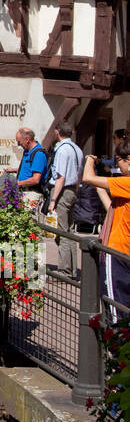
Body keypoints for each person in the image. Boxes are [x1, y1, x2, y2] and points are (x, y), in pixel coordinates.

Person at [82, 144, 130, 314]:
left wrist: (89, 160)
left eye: (118, 161)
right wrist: (101, 189)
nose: (117, 166)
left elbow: (87, 178)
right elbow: (113, 208)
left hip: (117, 251)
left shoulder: (127, 182)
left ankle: (116, 338)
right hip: (124, 252)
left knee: (114, 305)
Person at [46, 122, 84, 275]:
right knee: (69, 230)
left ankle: (65, 270)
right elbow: (79, 174)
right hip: (73, 190)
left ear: (57, 132)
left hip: (62, 190)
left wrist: (53, 200)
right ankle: (73, 268)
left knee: (62, 232)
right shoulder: (77, 149)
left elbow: (60, 177)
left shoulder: (62, 150)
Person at [14, 127, 48, 209]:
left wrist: (17, 184)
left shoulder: (38, 154)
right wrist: (14, 170)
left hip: (32, 194)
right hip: (24, 193)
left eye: (19, 142)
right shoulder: (27, 151)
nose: (18, 145)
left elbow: (36, 179)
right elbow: (28, 170)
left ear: (27, 139)